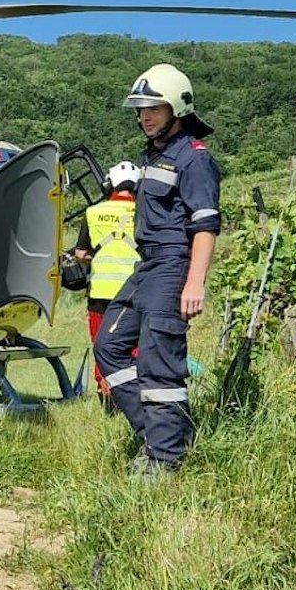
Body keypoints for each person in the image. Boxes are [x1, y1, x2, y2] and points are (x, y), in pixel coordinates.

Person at [93, 66, 221, 473]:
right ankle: (158, 436)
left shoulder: (194, 158)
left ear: (177, 107)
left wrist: (194, 282)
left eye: (153, 107)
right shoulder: (153, 155)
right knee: (108, 347)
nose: (144, 116)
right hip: (146, 265)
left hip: (172, 265)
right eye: (140, 109)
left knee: (158, 361)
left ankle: (165, 460)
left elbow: (205, 225)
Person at [72, 162, 141, 403]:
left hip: (100, 294)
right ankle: (132, 397)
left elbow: (80, 255)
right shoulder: (145, 212)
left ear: (108, 184)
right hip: (134, 293)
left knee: (102, 346)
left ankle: (107, 397)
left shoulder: (93, 213)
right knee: (133, 347)